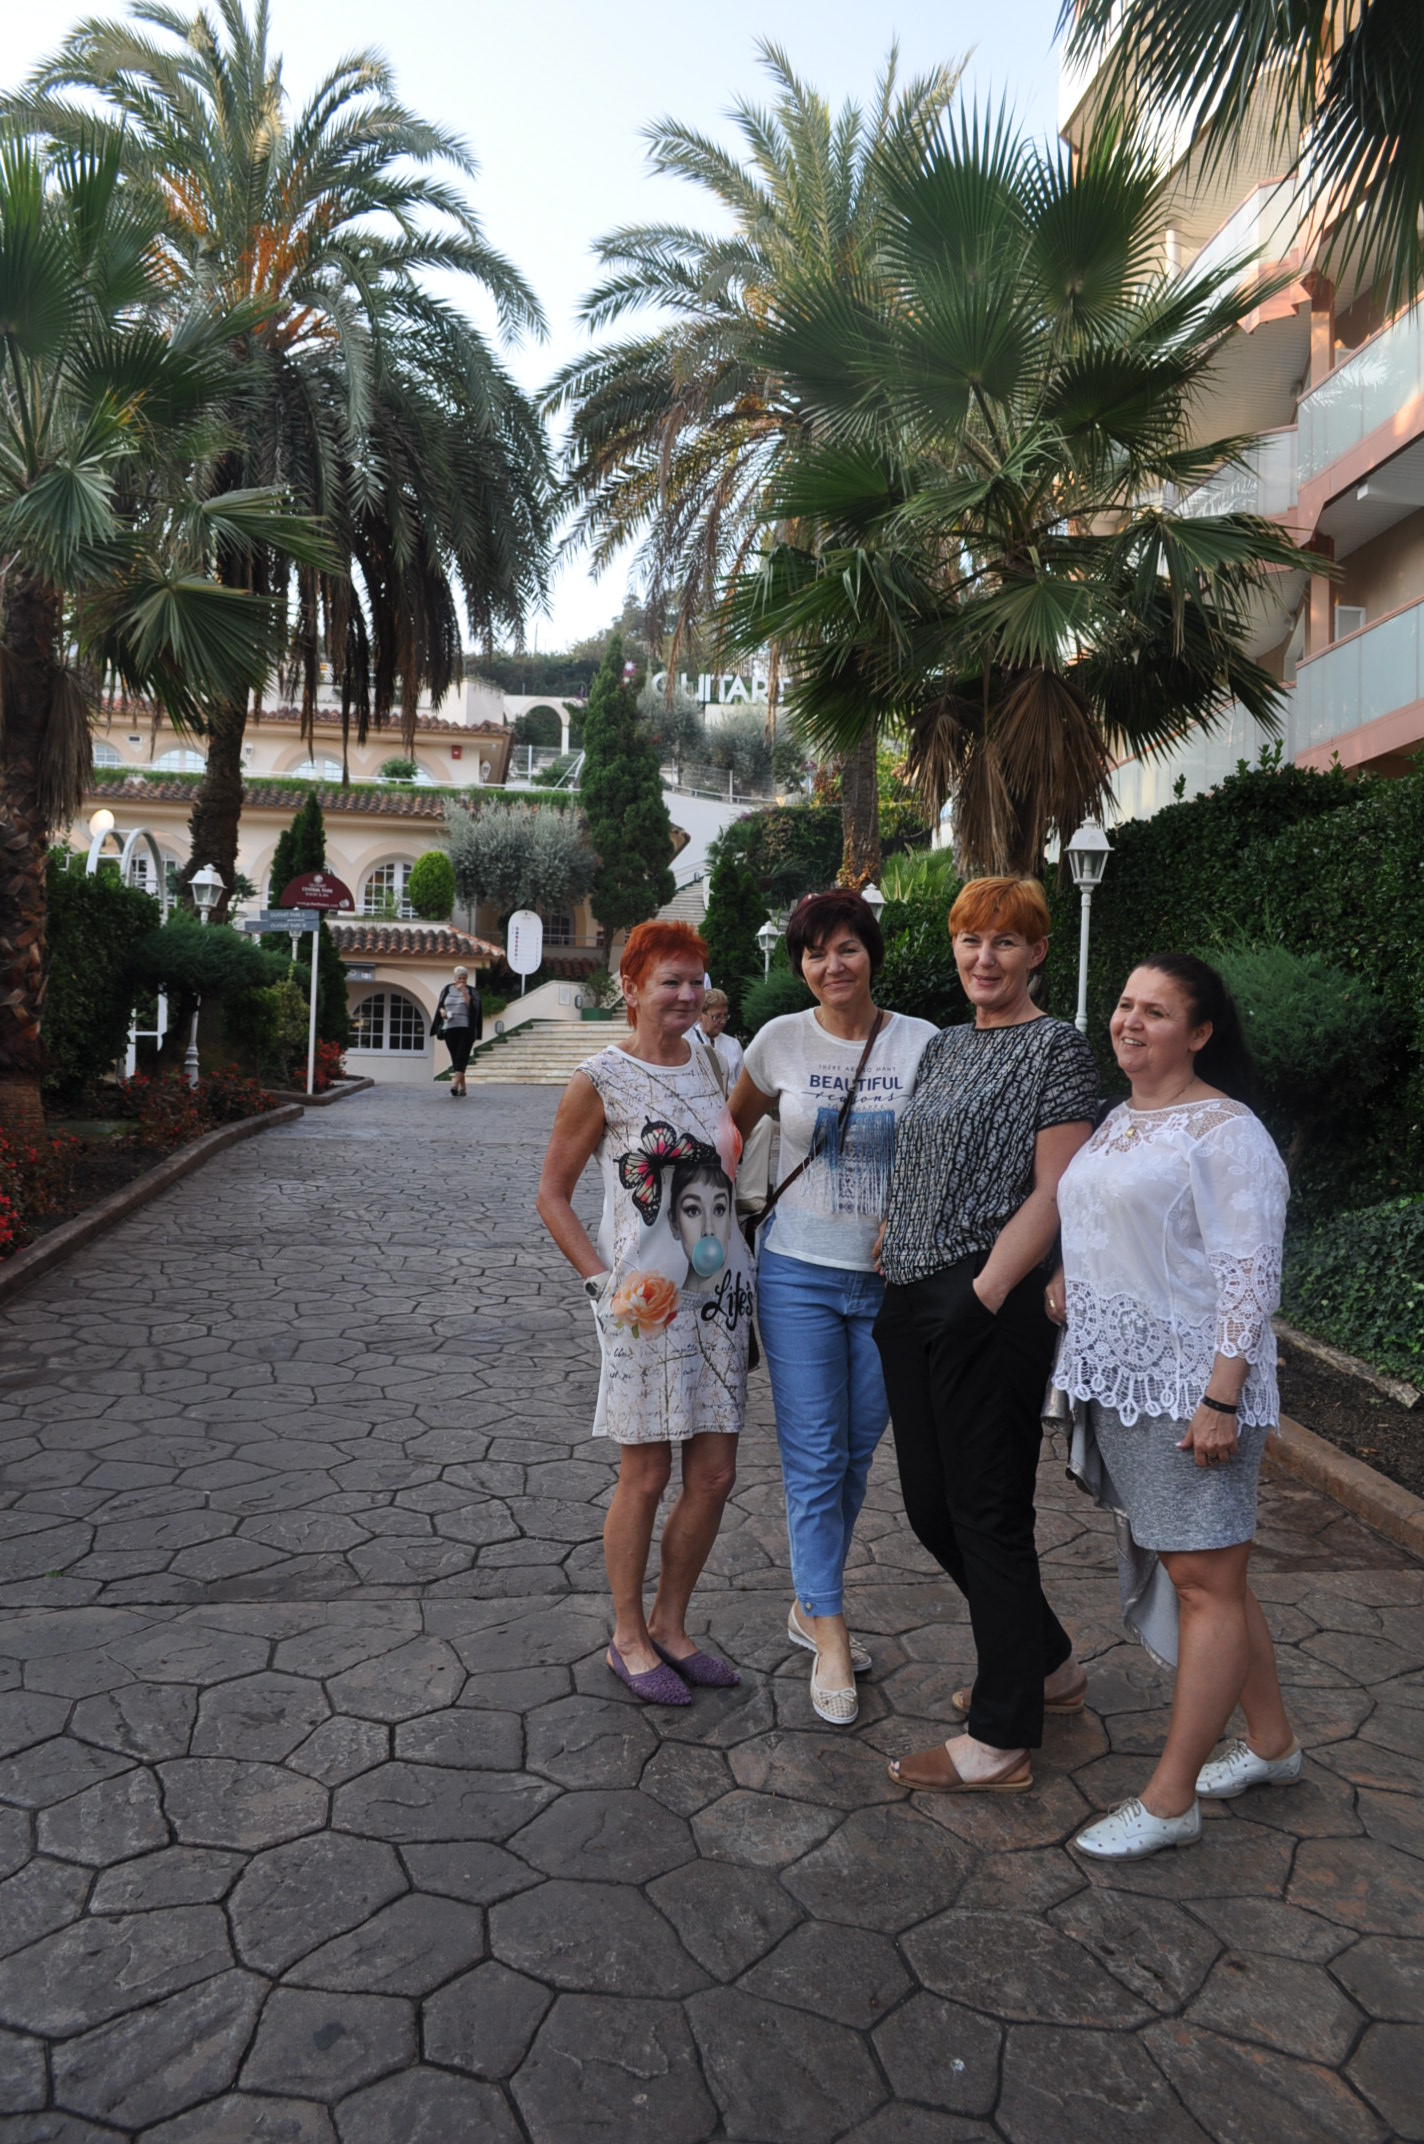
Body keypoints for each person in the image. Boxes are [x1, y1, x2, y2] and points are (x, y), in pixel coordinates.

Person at [1051, 954, 1296, 1860]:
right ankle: (1272, 1742)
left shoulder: (1226, 1132)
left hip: (1192, 1391)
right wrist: (1071, 1274)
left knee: (1206, 1584)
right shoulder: (1121, 1118)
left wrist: (1221, 1397)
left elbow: (1248, 1273)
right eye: (1125, 1004)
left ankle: (1170, 1799)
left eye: (1155, 1011)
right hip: (1125, 1380)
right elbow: (1111, 1219)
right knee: (1211, 1575)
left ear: (1198, 1033)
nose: (1130, 1021)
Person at [873, 876, 1099, 1792]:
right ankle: (1047, 1664)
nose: (984, 957)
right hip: (908, 1294)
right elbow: (920, 1157)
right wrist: (895, 1232)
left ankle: (1002, 1739)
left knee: (989, 1510)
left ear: (1037, 952)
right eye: (971, 939)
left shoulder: (1058, 1049)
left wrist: (986, 1292)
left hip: (987, 1299)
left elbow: (1057, 1189)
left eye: (1005, 941)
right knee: (932, 1507)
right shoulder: (945, 1046)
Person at [731, 890, 937, 1725]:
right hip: (797, 1276)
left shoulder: (922, 1042)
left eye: (846, 948)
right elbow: (729, 1136)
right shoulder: (778, 1041)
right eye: (815, 953)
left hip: (891, 1285)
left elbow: (943, 1154)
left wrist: (910, 1217)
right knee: (814, 1457)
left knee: (854, 1455)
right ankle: (831, 1628)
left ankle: (807, 1604)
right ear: (801, 965)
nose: (831, 965)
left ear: (871, 954)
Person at [536, 919, 753, 1706]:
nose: (688, 995)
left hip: (722, 1296)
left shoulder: (714, 1062)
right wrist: (604, 1287)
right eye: (671, 982)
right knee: (648, 1472)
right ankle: (627, 1637)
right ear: (629, 988)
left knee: (715, 1474)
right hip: (645, 1307)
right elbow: (551, 1195)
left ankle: (671, 1624)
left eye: (697, 981)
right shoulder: (600, 1077)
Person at [434, 965, 481, 1097]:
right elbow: (441, 1005)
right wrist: (442, 1012)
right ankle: (463, 1088)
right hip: (449, 1028)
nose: (462, 980)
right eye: (459, 978)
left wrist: (464, 992)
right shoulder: (447, 989)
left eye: (464, 978)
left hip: (466, 1029)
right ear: (454, 978)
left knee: (462, 1056)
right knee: (456, 1058)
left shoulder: (471, 991)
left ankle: (454, 1085)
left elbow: (474, 1008)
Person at [697, 989, 745, 1082]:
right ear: (699, 1015)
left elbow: (741, 1083)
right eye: (717, 1017)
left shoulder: (734, 1045)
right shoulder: (686, 1042)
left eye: (725, 1016)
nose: (723, 1022)